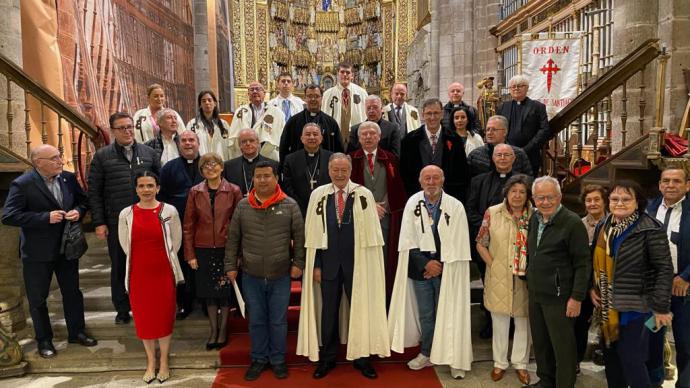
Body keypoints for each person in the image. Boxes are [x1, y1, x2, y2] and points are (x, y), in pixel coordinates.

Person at [297, 153, 390, 379]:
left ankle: (362, 358)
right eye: (335, 170)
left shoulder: (363, 194)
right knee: (328, 312)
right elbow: (312, 234)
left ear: (350, 171)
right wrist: (316, 265)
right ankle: (328, 358)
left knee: (360, 310)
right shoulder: (318, 195)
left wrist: (367, 265)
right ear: (329, 171)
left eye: (344, 170)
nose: (340, 174)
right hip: (328, 266)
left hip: (357, 266)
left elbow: (372, 235)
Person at [2, 144, 97, 359]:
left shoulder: (68, 178)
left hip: (67, 248)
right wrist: (44, 218)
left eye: (59, 157)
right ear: (39, 163)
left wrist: (77, 212)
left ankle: (77, 333)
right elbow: (9, 216)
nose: (60, 161)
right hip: (37, 253)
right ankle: (44, 340)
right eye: (54, 158)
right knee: (38, 299)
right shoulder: (23, 184)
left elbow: (84, 202)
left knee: (72, 293)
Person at [388, 165, 473, 379]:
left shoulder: (455, 206)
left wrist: (439, 265)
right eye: (427, 178)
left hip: (449, 270)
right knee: (426, 315)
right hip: (421, 271)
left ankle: (454, 358)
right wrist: (426, 264)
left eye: (436, 178)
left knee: (450, 313)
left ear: (443, 180)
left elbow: (460, 241)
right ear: (420, 181)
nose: (431, 182)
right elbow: (406, 239)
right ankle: (426, 352)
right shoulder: (412, 203)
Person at [225, 161, 305, 381]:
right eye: (258, 176)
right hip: (251, 275)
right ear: (253, 179)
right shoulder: (243, 206)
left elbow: (300, 238)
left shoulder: (289, 205)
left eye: (267, 176)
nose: (262, 180)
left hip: (280, 275)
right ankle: (259, 359)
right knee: (257, 320)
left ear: (276, 178)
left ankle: (278, 360)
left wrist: (299, 263)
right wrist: (230, 266)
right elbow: (233, 239)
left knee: (278, 321)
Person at [590, 180, 673, 388]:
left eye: (626, 199)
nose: (620, 203)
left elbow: (664, 269)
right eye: (615, 198)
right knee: (612, 360)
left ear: (638, 203)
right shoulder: (605, 225)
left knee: (632, 359)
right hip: (609, 307)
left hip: (638, 308)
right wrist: (593, 288)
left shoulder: (650, 228)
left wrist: (661, 307)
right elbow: (596, 262)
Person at [89, 112, 161, 324]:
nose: (127, 131)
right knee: (120, 265)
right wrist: (99, 222)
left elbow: (160, 183)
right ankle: (122, 308)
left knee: (147, 264)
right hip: (116, 220)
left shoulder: (149, 153)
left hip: (147, 218)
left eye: (130, 126)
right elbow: (94, 192)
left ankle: (147, 303)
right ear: (113, 131)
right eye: (122, 128)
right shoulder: (102, 156)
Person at [117, 171, 184, 384]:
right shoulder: (126, 213)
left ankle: (164, 361)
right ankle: (150, 362)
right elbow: (124, 244)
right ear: (136, 189)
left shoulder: (169, 211)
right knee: (145, 319)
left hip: (163, 271)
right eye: (142, 186)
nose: (146, 190)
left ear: (158, 187)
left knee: (163, 317)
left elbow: (176, 241)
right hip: (139, 273)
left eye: (150, 185)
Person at [525, 176, 590, 388]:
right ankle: (546, 380)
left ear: (559, 197)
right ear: (533, 199)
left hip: (561, 297)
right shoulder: (535, 218)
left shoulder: (572, 223)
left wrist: (576, 297)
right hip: (536, 293)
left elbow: (582, 264)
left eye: (550, 197)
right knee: (541, 343)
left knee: (563, 347)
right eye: (540, 198)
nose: (545, 202)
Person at [475, 174, 533, 385]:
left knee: (523, 321)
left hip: (525, 277)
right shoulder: (492, 213)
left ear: (527, 195)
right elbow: (481, 243)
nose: (517, 196)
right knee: (499, 320)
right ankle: (499, 363)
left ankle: (521, 364)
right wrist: (492, 264)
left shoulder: (534, 215)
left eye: (522, 192)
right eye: (513, 191)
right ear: (506, 193)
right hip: (498, 274)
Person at [183, 153, 242, 350]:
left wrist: (238, 253)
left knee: (224, 292)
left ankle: (223, 330)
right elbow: (188, 225)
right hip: (203, 249)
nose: (210, 168)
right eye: (205, 165)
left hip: (226, 248)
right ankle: (213, 331)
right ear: (201, 170)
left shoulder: (233, 190)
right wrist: (190, 254)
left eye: (214, 164)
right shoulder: (195, 192)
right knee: (208, 293)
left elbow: (239, 223)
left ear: (221, 167)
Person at [349, 121, 407, 301]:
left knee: (384, 262)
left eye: (372, 133)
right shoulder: (351, 159)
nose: (368, 136)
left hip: (385, 219)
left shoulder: (390, 158)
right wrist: (369, 206)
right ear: (358, 138)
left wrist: (385, 206)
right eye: (364, 134)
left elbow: (396, 187)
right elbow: (348, 188)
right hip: (360, 220)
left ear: (379, 137)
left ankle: (383, 300)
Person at [466, 144, 518, 339]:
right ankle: (491, 322)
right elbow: (471, 209)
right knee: (490, 283)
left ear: (513, 158)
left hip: (515, 242)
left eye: (506, 155)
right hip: (486, 243)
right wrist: (489, 230)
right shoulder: (479, 181)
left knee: (515, 285)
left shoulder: (523, 182)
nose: (502, 158)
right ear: (493, 158)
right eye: (499, 155)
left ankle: (514, 323)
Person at [647, 167, 690, 388]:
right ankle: (654, 382)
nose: (671, 185)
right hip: (654, 287)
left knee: (685, 342)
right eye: (666, 181)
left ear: (687, 185)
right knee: (652, 338)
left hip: (682, 286)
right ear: (660, 184)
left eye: (676, 181)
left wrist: (685, 276)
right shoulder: (649, 207)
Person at [159, 130, 204, 319]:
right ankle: (184, 303)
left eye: (191, 140)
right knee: (181, 264)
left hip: (204, 225)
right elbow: (162, 197)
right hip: (177, 225)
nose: (187, 144)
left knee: (203, 263)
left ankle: (204, 301)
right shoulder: (169, 168)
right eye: (183, 141)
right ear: (178, 145)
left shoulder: (209, 164)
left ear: (198, 143)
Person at [400, 98, 469, 203]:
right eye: (429, 113)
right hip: (418, 199)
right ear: (423, 115)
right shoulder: (409, 140)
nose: (432, 117)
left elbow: (461, 172)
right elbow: (404, 174)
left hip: (448, 198)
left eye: (436, 113)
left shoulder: (454, 139)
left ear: (442, 114)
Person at [575, 184, 608, 373]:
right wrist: (590, 288)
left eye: (597, 199)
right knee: (580, 326)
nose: (593, 203)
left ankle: (607, 358)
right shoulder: (578, 225)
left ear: (605, 201)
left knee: (610, 326)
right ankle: (576, 361)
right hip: (587, 284)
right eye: (589, 200)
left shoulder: (614, 222)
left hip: (610, 283)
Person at [498, 75, 551, 175]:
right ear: (509, 89)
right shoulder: (503, 107)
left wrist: (526, 149)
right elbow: (499, 128)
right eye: (513, 86)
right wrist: (507, 148)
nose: (516, 88)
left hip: (530, 155)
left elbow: (544, 129)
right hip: (507, 155)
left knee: (528, 186)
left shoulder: (537, 107)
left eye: (520, 86)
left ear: (527, 88)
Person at [279, 84, 344, 163]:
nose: (313, 99)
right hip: (298, 166)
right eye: (309, 96)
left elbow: (339, 149)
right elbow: (284, 147)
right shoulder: (293, 121)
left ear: (321, 98)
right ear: (305, 98)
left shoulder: (331, 123)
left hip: (325, 167)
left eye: (316, 96)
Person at [281, 123, 332, 216]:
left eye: (315, 134)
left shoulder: (331, 158)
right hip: (298, 210)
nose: (312, 137)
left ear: (321, 138)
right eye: (308, 134)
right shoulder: (290, 159)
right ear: (302, 138)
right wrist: (299, 206)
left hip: (326, 208)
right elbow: (287, 186)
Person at [227, 81, 285, 161]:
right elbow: (234, 136)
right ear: (248, 95)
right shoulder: (240, 111)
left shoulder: (276, 112)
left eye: (258, 89)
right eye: (252, 89)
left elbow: (281, 134)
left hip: (268, 154)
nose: (255, 91)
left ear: (264, 93)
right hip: (245, 153)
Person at [321, 62, 369, 148]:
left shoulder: (362, 93)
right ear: (337, 74)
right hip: (335, 135)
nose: (345, 75)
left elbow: (366, 116)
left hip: (356, 136)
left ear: (352, 75)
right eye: (342, 72)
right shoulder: (327, 94)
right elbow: (324, 117)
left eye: (348, 72)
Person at [467, 115, 532, 177]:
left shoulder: (519, 154)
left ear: (505, 132)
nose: (489, 132)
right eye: (487, 129)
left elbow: (528, 180)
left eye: (494, 129)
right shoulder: (475, 155)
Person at [222, 129, 277, 196]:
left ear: (258, 143)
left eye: (251, 141)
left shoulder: (273, 165)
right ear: (239, 145)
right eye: (244, 141)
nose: (248, 144)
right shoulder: (228, 166)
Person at [186, 90, 231, 160]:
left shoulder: (224, 125)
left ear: (215, 103)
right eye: (203, 101)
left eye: (209, 100)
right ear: (200, 105)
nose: (207, 103)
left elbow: (229, 147)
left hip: (220, 164)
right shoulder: (192, 125)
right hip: (201, 164)